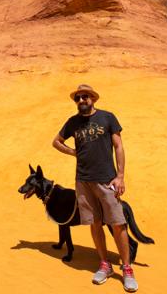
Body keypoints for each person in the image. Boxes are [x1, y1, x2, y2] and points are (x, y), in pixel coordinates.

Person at [52, 84, 138, 292]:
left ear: (93, 99)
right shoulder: (73, 123)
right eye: (78, 98)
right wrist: (73, 152)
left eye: (85, 97)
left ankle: (126, 269)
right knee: (95, 223)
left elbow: (118, 146)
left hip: (107, 180)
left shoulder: (108, 117)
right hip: (83, 181)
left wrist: (120, 176)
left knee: (118, 224)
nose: (82, 100)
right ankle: (105, 265)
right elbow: (56, 142)